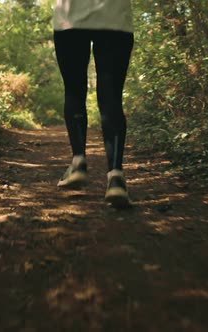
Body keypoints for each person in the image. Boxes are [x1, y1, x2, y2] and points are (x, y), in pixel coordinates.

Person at [53, 0, 134, 208]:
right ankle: (116, 178)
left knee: (74, 90)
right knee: (112, 97)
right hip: (115, 18)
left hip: (70, 18)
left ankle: (78, 162)